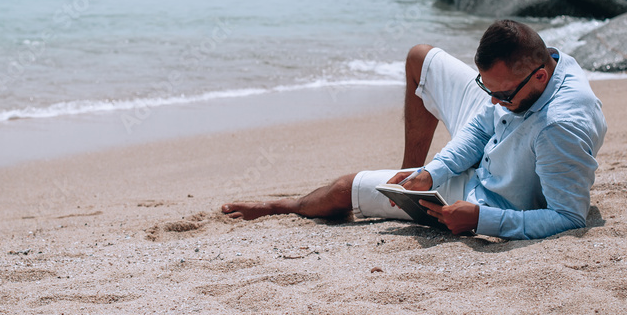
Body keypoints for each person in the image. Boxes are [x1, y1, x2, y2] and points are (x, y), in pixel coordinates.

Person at [221, 20, 607, 240]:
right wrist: (434, 171)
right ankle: (411, 176)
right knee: (420, 59)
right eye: (486, 88)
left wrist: (480, 219)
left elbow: (568, 217)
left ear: (540, 77)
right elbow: (485, 121)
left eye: (500, 94)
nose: (492, 101)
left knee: (343, 190)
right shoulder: (538, 71)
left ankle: (282, 205)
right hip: (505, 142)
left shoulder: (560, 128)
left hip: (494, 193)